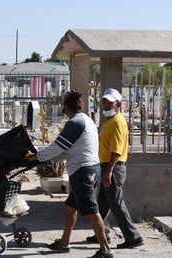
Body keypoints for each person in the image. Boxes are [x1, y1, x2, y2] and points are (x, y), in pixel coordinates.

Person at [26, 91, 113, 258]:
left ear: (66, 107)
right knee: (70, 208)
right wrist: (45, 157)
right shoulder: (86, 119)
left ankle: (105, 250)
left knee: (92, 210)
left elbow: (58, 147)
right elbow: (68, 150)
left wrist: (37, 156)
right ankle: (64, 243)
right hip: (89, 168)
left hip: (83, 171)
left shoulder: (75, 123)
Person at [87, 88, 143, 249]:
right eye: (104, 102)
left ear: (118, 103)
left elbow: (117, 150)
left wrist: (109, 170)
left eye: (110, 102)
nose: (106, 105)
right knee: (102, 204)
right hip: (106, 166)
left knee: (117, 204)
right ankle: (102, 234)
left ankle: (133, 237)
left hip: (113, 168)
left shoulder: (118, 122)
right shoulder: (110, 121)